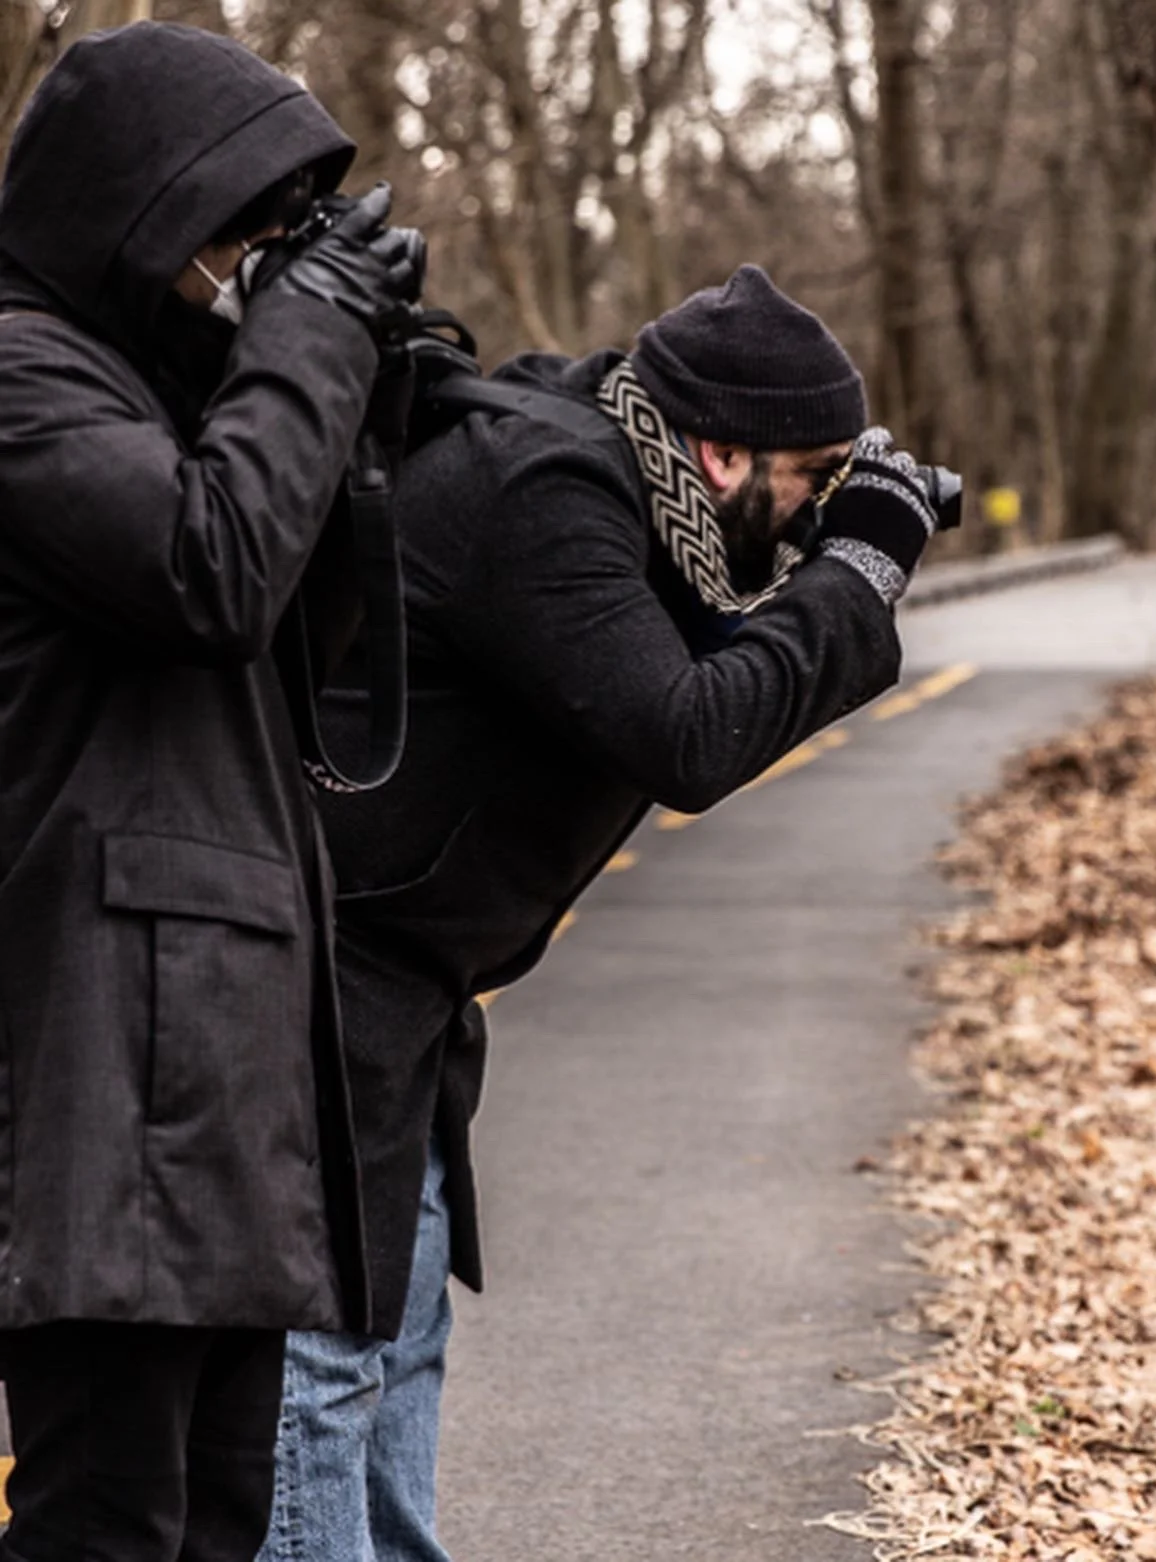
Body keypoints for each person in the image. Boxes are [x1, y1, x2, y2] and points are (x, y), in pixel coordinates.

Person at [259, 264, 941, 1562]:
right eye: (805, 482)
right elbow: (685, 731)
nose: (807, 516)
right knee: (327, 1361)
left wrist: (833, 543)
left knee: (389, 1342)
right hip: (322, 968)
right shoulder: (548, 490)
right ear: (721, 449)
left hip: (387, 978)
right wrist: (855, 571)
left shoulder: (624, 479)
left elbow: (693, 641)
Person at [0, 21, 422, 1562]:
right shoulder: (20, 376)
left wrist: (355, 404)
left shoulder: (166, 391)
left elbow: (308, 640)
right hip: (114, 1083)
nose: (254, 264)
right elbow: (210, 572)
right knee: (108, 1519)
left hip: (213, 1082)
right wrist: (305, 342)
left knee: (213, 1522)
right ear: (135, 208)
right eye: (239, 230)